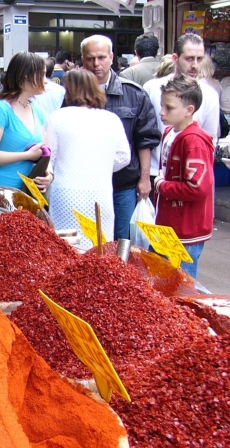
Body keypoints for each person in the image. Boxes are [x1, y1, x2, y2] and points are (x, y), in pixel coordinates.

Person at [81, 34, 161, 240]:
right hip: (86, 184)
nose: (96, 64)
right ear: (83, 60)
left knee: (123, 242)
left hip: (123, 184)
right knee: (92, 242)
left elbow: (145, 140)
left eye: (101, 57)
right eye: (90, 58)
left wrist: (145, 179)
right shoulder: (74, 95)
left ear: (111, 57)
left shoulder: (134, 93)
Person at [46, 69, 130, 247]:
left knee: (67, 246)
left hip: (66, 193)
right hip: (100, 194)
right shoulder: (112, 119)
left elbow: (48, 158)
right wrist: (102, 165)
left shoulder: (58, 117)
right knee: (98, 246)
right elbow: (124, 157)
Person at [143, 34, 220, 196]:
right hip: (154, 172)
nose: (195, 65)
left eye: (200, 59)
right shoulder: (152, 88)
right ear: (175, 58)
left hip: (187, 178)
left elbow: (210, 141)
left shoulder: (209, 95)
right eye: (189, 58)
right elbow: (143, 134)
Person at [154, 75, 214, 278]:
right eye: (162, 105)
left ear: (190, 110)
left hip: (186, 229)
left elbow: (198, 187)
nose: (162, 112)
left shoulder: (194, 141)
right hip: (168, 224)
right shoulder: (171, 132)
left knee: (181, 285)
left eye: (169, 108)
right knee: (163, 279)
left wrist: (162, 186)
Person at [0, 52, 49, 190]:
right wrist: (27, 155)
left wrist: (49, 175)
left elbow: (44, 150)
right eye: (42, 75)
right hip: (1, 189)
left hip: (29, 192)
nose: (46, 80)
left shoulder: (37, 110)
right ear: (26, 76)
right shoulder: (1, 110)